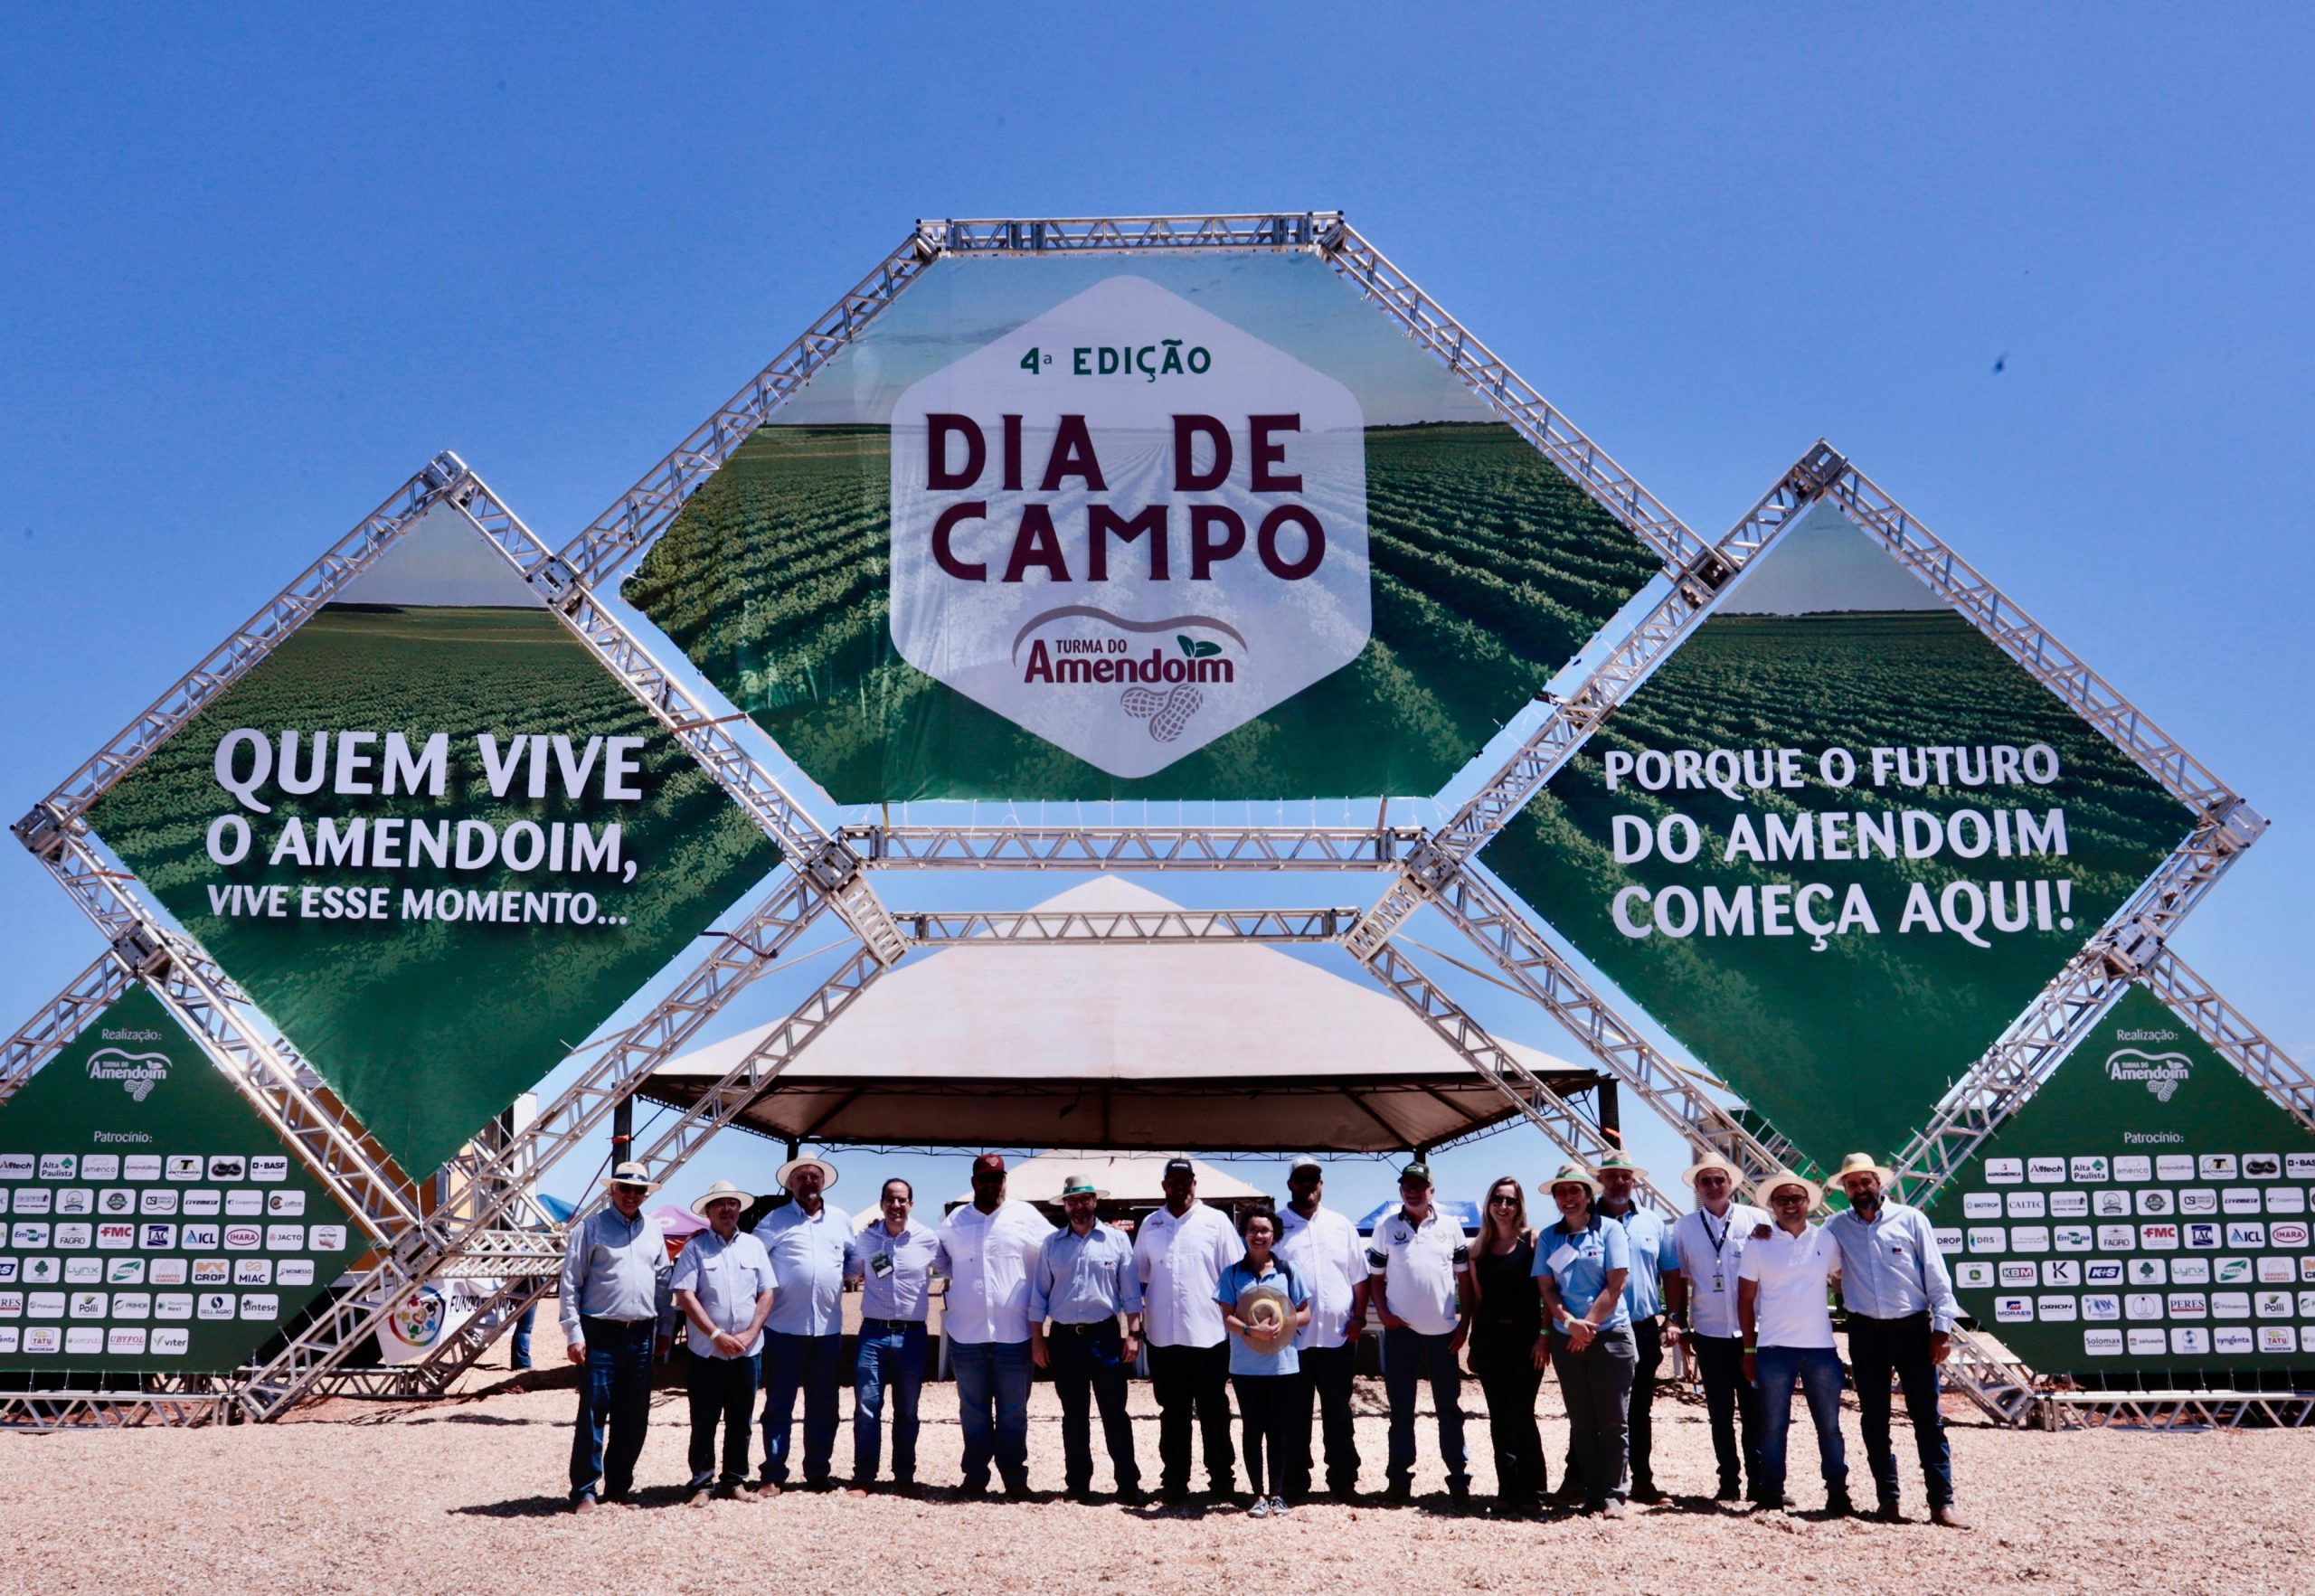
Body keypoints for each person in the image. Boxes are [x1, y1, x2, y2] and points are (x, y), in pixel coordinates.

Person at [1822, 1151, 1966, 1527]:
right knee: (1874, 1418)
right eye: (1852, 1184)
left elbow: (1937, 1276)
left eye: (1865, 1181)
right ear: (1845, 1190)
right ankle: (1888, 1499)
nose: (1859, 1188)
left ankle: (1942, 1503)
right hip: (1865, 1332)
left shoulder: (1912, 1219)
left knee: (1928, 1419)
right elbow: (1801, 1245)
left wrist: (1942, 1329)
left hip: (1914, 1330)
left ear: (1878, 1182)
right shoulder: (1835, 1227)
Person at [1558, 1150, 1677, 1504]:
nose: (1619, 1182)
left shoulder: (1654, 1224)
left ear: (1634, 1180)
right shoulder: (1582, 1222)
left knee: (1638, 1408)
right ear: (1600, 1182)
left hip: (1640, 1326)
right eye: (1611, 1176)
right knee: (1587, 1410)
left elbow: (1670, 1273)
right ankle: (1577, 1477)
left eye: (1625, 1176)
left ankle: (1641, 1479)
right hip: (1592, 1329)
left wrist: (1673, 1317)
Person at [558, 1161, 674, 1513]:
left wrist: (666, 1329)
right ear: (612, 1190)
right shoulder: (590, 1228)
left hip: (641, 1334)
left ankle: (619, 1487)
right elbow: (569, 1284)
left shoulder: (654, 1230)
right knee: (593, 1413)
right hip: (600, 1333)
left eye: (639, 1190)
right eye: (626, 1188)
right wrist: (574, 1333)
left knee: (634, 1415)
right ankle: (584, 1491)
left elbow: (664, 1284)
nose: (632, 1196)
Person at [936, 1152, 1054, 1497]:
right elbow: (940, 1259)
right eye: (985, 1179)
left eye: (998, 1179)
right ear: (974, 1182)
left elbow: (1054, 1252)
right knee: (972, 1412)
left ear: (1005, 1182)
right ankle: (974, 1478)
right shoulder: (955, 1221)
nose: (992, 1185)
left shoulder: (1024, 1216)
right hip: (966, 1333)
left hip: (1014, 1334)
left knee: (1013, 1412)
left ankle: (1015, 1480)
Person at [1738, 1170, 1852, 1517]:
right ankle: (1772, 1495)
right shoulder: (1758, 1243)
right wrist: (1748, 1349)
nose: (1790, 1205)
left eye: (1796, 1199)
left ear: (1807, 1203)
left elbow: (1841, 1281)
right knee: (1773, 1427)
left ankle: (1838, 1496)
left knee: (1830, 1428)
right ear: (1772, 1205)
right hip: (1773, 1349)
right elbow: (1744, 1301)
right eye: (1782, 1200)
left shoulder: (1826, 1240)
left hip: (1821, 1349)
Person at [1030, 1173, 1145, 1503]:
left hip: (1104, 1337)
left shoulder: (1116, 1240)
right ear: (1064, 1205)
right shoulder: (1052, 1244)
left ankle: (1128, 1484)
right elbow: (1039, 1296)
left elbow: (1131, 1294)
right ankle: (1078, 1485)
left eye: (1084, 1200)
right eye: (1072, 1201)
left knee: (1115, 1413)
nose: (1078, 1206)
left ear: (1095, 1201)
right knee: (1074, 1415)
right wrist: (1038, 1340)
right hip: (1064, 1340)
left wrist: (1133, 1334)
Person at [1133, 1156, 1243, 1502]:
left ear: (1194, 1184)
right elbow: (1140, 1274)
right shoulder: (1150, 1225)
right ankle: (1175, 1481)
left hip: (1209, 1335)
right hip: (1165, 1337)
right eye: (1173, 1181)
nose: (1180, 1187)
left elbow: (1235, 1274)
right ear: (1164, 1185)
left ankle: (1222, 1482)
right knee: (1173, 1414)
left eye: (1186, 1181)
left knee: (1214, 1412)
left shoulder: (1216, 1222)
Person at [1663, 1153, 1772, 1503]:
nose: (1713, 1187)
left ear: (1731, 1184)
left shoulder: (1757, 1220)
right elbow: (1678, 1279)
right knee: (1719, 1414)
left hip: (1751, 1333)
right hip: (1709, 1333)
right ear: (1697, 1187)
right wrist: (1677, 1322)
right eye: (1705, 1181)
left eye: (1718, 1180)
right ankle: (1728, 1483)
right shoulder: (1684, 1228)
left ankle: (1760, 1483)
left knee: (1755, 1411)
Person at [1365, 1159, 1472, 1505]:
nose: (1413, 1191)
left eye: (1419, 1186)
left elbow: (1464, 1280)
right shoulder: (1385, 1228)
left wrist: (1464, 1324)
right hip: (1402, 1334)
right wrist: (1383, 1314)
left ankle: (1458, 1479)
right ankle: (1399, 1480)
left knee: (1449, 1409)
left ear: (1432, 1191)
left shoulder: (1452, 1226)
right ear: (1401, 1190)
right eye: (1407, 1186)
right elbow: (1375, 1279)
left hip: (1444, 1335)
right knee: (1400, 1410)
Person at [1533, 1161, 1634, 1519]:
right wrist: (1569, 1323)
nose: (1567, 1197)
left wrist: (1587, 1326)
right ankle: (1591, 1493)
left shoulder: (1610, 1231)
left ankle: (1614, 1495)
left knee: (1613, 1420)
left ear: (1588, 1194)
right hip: (1568, 1339)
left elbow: (1616, 1284)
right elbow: (1547, 1287)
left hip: (1608, 1337)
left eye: (1575, 1190)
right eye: (1561, 1192)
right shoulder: (1549, 1237)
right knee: (1581, 1419)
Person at [669, 1180, 777, 1505]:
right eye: (720, 1204)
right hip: (707, 1351)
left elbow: (767, 1292)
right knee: (704, 1421)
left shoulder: (754, 1246)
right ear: (708, 1211)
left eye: (732, 1203)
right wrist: (717, 1335)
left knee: (741, 1421)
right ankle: (702, 1484)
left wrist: (751, 1333)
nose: (727, 1209)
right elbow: (685, 1295)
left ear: (739, 1209)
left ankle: (734, 1481)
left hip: (747, 1350)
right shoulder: (695, 1249)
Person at [752, 1154, 850, 1494]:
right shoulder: (773, 1222)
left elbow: (852, 1262)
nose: (809, 1182)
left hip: (827, 1330)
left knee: (825, 1407)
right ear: (790, 1183)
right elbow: (753, 1263)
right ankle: (774, 1473)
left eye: (815, 1176)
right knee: (779, 1404)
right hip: (783, 1330)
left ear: (823, 1182)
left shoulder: (841, 1220)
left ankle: (818, 1473)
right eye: (801, 1177)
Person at [1275, 1155, 1366, 1500]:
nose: (1308, 1185)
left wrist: (1359, 1318)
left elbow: (1359, 1279)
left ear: (1322, 1184)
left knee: (1339, 1413)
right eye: (1301, 1179)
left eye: (1314, 1178)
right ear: (1290, 1185)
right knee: (1294, 1415)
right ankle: (1295, 1482)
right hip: (1293, 1341)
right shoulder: (1278, 1226)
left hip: (1338, 1337)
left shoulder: (1341, 1225)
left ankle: (1343, 1481)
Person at [844, 1176, 941, 1495]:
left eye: (902, 1200)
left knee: (908, 1411)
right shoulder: (867, 1238)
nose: (896, 1205)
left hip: (912, 1336)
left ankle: (904, 1477)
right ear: (882, 1203)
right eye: (890, 1199)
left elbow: (955, 1269)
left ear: (911, 1204)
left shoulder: (928, 1239)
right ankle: (864, 1477)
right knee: (867, 1408)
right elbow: (847, 1270)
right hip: (873, 1334)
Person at [1214, 1205, 1310, 1517]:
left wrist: (1286, 1322)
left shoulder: (1288, 1271)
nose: (1259, 1235)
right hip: (1246, 1366)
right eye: (1253, 1230)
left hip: (1284, 1364)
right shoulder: (1232, 1273)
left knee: (1280, 1430)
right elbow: (1226, 1318)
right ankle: (1257, 1494)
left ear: (1274, 1235)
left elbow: (1306, 1312)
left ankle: (1278, 1493)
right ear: (1245, 1234)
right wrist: (1248, 1329)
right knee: (1253, 1428)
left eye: (1265, 1230)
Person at [1466, 1175, 1545, 1516]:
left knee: (1523, 1414)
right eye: (1498, 1199)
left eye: (1510, 1200)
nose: (1503, 1206)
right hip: (1490, 1340)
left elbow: (1546, 1295)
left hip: (1526, 1340)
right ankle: (1506, 1489)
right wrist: (1472, 1343)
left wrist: (1546, 1338)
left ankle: (1532, 1489)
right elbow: (1478, 1302)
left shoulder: (1533, 1242)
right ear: (1488, 1203)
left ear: (1519, 1206)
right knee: (1498, 1417)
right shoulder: (1477, 1251)